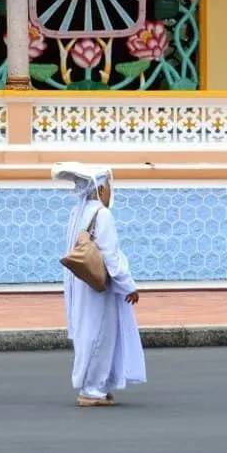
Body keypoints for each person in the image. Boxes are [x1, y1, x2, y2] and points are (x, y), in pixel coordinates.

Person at [52, 162, 146, 407]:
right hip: (98, 286)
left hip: (82, 283)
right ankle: (92, 389)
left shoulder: (78, 211)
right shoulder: (102, 214)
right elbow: (111, 255)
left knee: (88, 332)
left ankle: (97, 385)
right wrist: (129, 285)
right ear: (101, 189)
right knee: (101, 334)